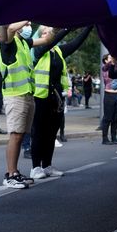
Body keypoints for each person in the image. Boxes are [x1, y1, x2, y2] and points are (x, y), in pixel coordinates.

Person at [0, 22, 57, 188]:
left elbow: (47, 40)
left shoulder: (24, 42)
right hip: (15, 95)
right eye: (26, 23)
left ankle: (15, 172)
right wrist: (30, 12)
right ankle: (10, 174)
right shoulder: (7, 42)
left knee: (21, 135)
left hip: (27, 94)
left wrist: (53, 26)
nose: (29, 25)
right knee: (15, 135)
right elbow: (8, 29)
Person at [29, 27, 92, 179]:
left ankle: (47, 165)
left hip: (56, 98)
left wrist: (89, 26)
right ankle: (35, 167)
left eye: (49, 32)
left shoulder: (57, 51)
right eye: (44, 33)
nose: (48, 34)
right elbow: (53, 40)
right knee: (39, 133)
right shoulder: (36, 50)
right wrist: (67, 27)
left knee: (51, 133)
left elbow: (75, 43)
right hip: (40, 97)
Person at [100, 54, 117, 145]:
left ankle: (114, 137)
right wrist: (112, 61)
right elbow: (107, 68)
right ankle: (104, 138)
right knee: (107, 118)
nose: (112, 59)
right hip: (109, 95)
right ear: (105, 60)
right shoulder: (105, 68)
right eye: (110, 58)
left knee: (115, 118)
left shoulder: (115, 67)